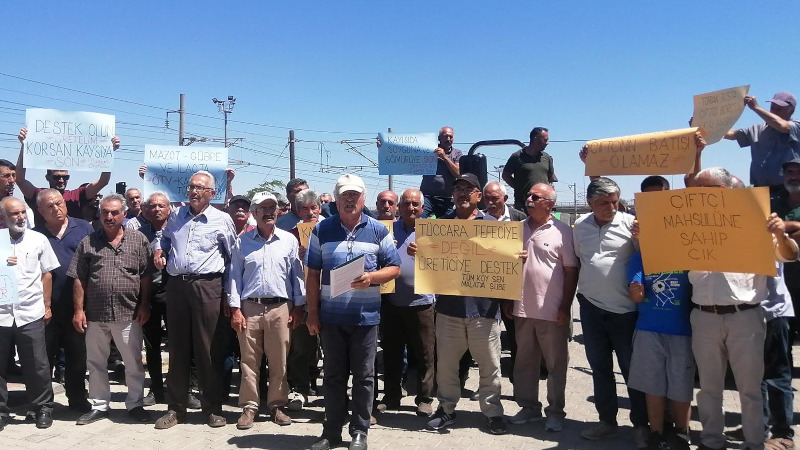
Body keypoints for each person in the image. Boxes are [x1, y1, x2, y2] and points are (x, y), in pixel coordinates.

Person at [686, 167, 797, 450]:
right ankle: (711, 440)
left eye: (702, 189)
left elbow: (790, 255)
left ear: (723, 192)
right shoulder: (688, 225)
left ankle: (754, 442)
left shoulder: (756, 224)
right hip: (704, 316)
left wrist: (781, 234)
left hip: (745, 317)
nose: (695, 194)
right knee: (709, 387)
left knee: (750, 388)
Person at [305, 174, 401, 450]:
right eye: (344, 195)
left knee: (364, 378)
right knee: (333, 377)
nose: (349, 200)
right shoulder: (321, 230)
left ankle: (359, 432)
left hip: (365, 319)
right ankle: (331, 431)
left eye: (354, 195)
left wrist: (371, 278)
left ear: (363, 199)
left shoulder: (378, 230)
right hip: (331, 319)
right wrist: (313, 313)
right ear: (336, 200)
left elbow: (394, 268)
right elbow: (312, 275)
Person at [420, 173, 507, 435]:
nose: (462, 193)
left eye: (469, 189)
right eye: (458, 189)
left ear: (479, 196)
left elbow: (505, 264)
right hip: (448, 311)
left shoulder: (493, 226)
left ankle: (492, 412)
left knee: (490, 366)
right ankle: (446, 409)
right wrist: (419, 252)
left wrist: (515, 257)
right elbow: (431, 264)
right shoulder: (441, 226)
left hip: (484, 311)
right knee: (446, 367)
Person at [153, 171, 237, 429]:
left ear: (211, 193)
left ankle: (212, 408)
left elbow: (232, 259)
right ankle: (176, 409)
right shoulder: (176, 215)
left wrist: (228, 295)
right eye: (191, 187)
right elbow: (164, 238)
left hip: (208, 286)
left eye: (199, 187)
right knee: (177, 348)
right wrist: (159, 250)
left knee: (208, 349)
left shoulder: (222, 219)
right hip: (177, 287)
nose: (193, 191)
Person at [572, 177, 649, 447]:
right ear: (590, 203)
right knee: (600, 368)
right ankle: (607, 422)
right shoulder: (580, 226)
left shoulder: (631, 225)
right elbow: (578, 260)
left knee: (632, 370)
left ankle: (641, 425)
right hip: (591, 309)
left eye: (615, 201)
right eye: (604, 202)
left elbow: (645, 259)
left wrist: (642, 239)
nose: (611, 207)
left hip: (625, 313)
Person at [68, 194, 153, 425]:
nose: (109, 216)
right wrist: (78, 310)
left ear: (124, 214)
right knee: (96, 363)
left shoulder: (138, 240)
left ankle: (135, 405)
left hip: (129, 313)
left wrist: (145, 304)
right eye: (105, 212)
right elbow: (79, 278)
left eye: (114, 212)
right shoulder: (88, 242)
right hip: (96, 314)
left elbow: (146, 275)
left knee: (133, 362)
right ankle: (99, 405)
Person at [626, 174, 694, 450]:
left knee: (681, 385)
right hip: (648, 329)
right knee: (653, 386)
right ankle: (656, 433)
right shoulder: (639, 256)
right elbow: (635, 291)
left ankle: (682, 432)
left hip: (683, 330)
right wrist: (636, 291)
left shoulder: (689, 251)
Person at [505, 183, 577, 433]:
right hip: (522, 309)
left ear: (549, 203)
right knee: (524, 362)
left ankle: (555, 412)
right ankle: (529, 407)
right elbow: (505, 267)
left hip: (552, 312)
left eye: (535, 197)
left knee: (556, 364)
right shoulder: (516, 229)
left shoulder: (563, 232)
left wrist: (565, 307)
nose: (529, 199)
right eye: (528, 195)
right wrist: (508, 299)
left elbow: (571, 272)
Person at [229, 192, 306, 429]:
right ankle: (249, 407)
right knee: (249, 361)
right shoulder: (242, 242)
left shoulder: (289, 240)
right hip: (250, 308)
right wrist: (235, 309)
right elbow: (234, 278)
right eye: (263, 208)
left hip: (280, 308)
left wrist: (299, 306)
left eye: (272, 207)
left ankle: (277, 405)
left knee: (279, 360)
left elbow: (296, 276)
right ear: (254, 213)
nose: (269, 212)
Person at [0, 196, 59, 431]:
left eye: (22, 212)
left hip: (30, 312)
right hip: (2, 314)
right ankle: (1, 411)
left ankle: (42, 408)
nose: (20, 217)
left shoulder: (38, 239)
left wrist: (47, 305)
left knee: (37, 364)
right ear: (3, 217)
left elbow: (47, 273)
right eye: (14, 213)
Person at [33, 189, 94, 413]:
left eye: (59, 203)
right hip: (45, 309)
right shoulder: (35, 235)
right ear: (40, 211)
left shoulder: (84, 228)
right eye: (49, 206)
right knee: (44, 359)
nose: (56, 209)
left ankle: (77, 398)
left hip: (77, 307)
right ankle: (43, 404)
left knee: (77, 357)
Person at [379, 188, 436, 417]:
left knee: (425, 354)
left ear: (422, 208)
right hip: (392, 302)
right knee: (391, 354)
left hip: (422, 303)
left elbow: (446, 264)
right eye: (406, 204)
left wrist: (426, 253)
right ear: (399, 207)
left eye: (415, 204)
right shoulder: (386, 230)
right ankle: (391, 396)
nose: (410, 208)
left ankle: (424, 398)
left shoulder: (433, 232)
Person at [16, 127, 119, 226]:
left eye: (65, 177)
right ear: (47, 177)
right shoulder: (39, 195)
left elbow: (103, 181)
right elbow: (19, 180)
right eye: (57, 177)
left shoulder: (77, 195)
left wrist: (109, 152)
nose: (61, 180)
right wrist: (25, 146)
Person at [767, 158, 800, 448]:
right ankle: (769, 424)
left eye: (799, 172)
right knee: (778, 362)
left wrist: (784, 227)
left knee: (779, 370)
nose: (794, 176)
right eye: (789, 171)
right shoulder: (772, 200)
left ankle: (783, 431)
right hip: (778, 293)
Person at [127, 192, 171, 406]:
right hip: (148, 295)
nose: (156, 209)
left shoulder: (178, 231)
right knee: (152, 345)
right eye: (152, 206)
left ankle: (180, 387)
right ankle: (156, 388)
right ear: (145, 210)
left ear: (169, 209)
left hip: (173, 292)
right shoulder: (138, 234)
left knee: (179, 343)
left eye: (161, 205)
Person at [287, 189, 323, 411]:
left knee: (331, 347)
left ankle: (330, 388)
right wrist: (298, 256)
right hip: (303, 297)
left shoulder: (331, 229)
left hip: (328, 296)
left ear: (319, 207)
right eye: (304, 209)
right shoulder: (291, 235)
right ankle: (300, 388)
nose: (310, 213)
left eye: (313, 207)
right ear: (298, 211)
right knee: (301, 346)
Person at [723, 92, 800, 190]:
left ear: (791, 111)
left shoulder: (796, 127)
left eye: (779, 109)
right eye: (772, 108)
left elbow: (782, 126)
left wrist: (756, 107)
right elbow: (731, 135)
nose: (774, 112)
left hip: (788, 190)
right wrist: (708, 130)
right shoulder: (756, 129)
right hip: (759, 190)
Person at [502, 127, 557, 211]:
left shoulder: (546, 157)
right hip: (524, 204)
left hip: (542, 204)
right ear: (535, 139)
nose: (547, 143)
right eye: (545, 140)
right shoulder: (517, 156)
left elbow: (551, 177)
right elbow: (506, 175)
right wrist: (519, 188)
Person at [419, 126, 461, 218]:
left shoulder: (457, 153)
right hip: (427, 197)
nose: (448, 139)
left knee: (449, 223)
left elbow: (457, 173)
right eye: (446, 136)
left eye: (451, 137)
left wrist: (444, 157)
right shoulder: (429, 150)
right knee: (419, 219)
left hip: (446, 199)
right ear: (439, 138)